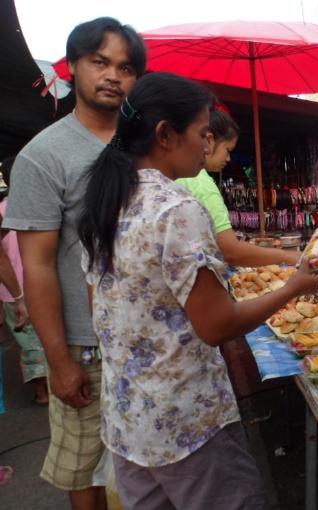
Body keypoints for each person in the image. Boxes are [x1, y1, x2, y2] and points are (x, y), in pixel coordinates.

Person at [77, 71, 318, 509]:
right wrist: (296, 286)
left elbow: (102, 312)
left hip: (129, 421)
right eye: (202, 133)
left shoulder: (106, 201)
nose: (207, 145)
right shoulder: (176, 207)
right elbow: (218, 325)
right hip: (187, 424)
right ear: (165, 135)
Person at [3, 17, 146, 509]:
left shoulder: (144, 146)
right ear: (73, 68)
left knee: (150, 461)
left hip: (150, 338)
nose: (112, 76)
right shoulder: (44, 156)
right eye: (99, 62)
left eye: (125, 67)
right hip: (88, 345)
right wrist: (58, 361)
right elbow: (37, 266)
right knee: (84, 468)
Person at [176, 107, 299, 266]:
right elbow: (231, 251)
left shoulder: (180, 176)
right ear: (209, 140)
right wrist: (288, 256)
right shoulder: (201, 184)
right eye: (227, 150)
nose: (228, 159)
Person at [0, 156, 47, 405]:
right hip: (43, 284)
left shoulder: (1, 211)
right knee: (48, 332)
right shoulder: (40, 207)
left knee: (29, 340)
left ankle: (43, 391)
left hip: (12, 291)